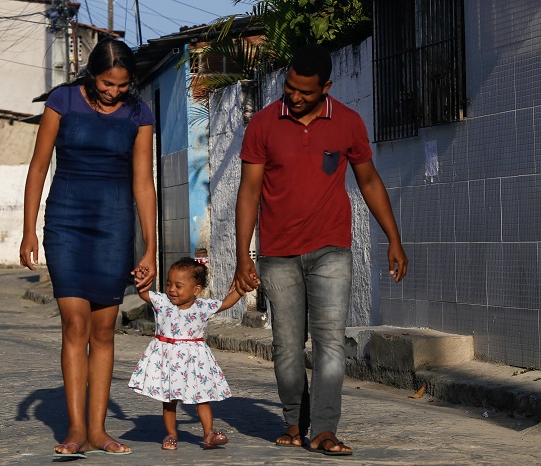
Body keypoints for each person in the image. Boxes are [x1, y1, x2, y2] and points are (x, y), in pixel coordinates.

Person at [233, 44, 408, 456]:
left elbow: (369, 181)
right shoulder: (262, 124)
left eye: (304, 92)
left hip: (332, 249)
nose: (293, 97)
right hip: (278, 255)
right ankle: (294, 421)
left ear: (326, 87)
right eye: (289, 87)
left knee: (329, 341)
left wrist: (394, 239)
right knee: (287, 345)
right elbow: (249, 192)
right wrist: (244, 255)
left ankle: (325, 428)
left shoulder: (347, 122)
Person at [19, 37, 156, 458]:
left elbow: (142, 181)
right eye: (106, 83)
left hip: (114, 226)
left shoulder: (139, 113)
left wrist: (150, 247)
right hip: (66, 223)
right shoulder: (63, 102)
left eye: (121, 85)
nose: (114, 91)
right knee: (74, 323)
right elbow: (39, 166)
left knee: (103, 330)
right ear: (91, 74)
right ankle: (76, 427)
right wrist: (29, 230)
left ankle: (99, 429)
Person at [128, 257, 244, 451]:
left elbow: (225, 303)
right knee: (169, 400)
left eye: (178, 286)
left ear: (196, 290)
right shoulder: (162, 302)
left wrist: (241, 290)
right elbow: (144, 294)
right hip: (168, 359)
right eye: (169, 284)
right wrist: (140, 279)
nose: (172, 289)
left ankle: (208, 434)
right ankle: (171, 434)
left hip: (195, 361)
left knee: (202, 397)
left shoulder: (202, 307)